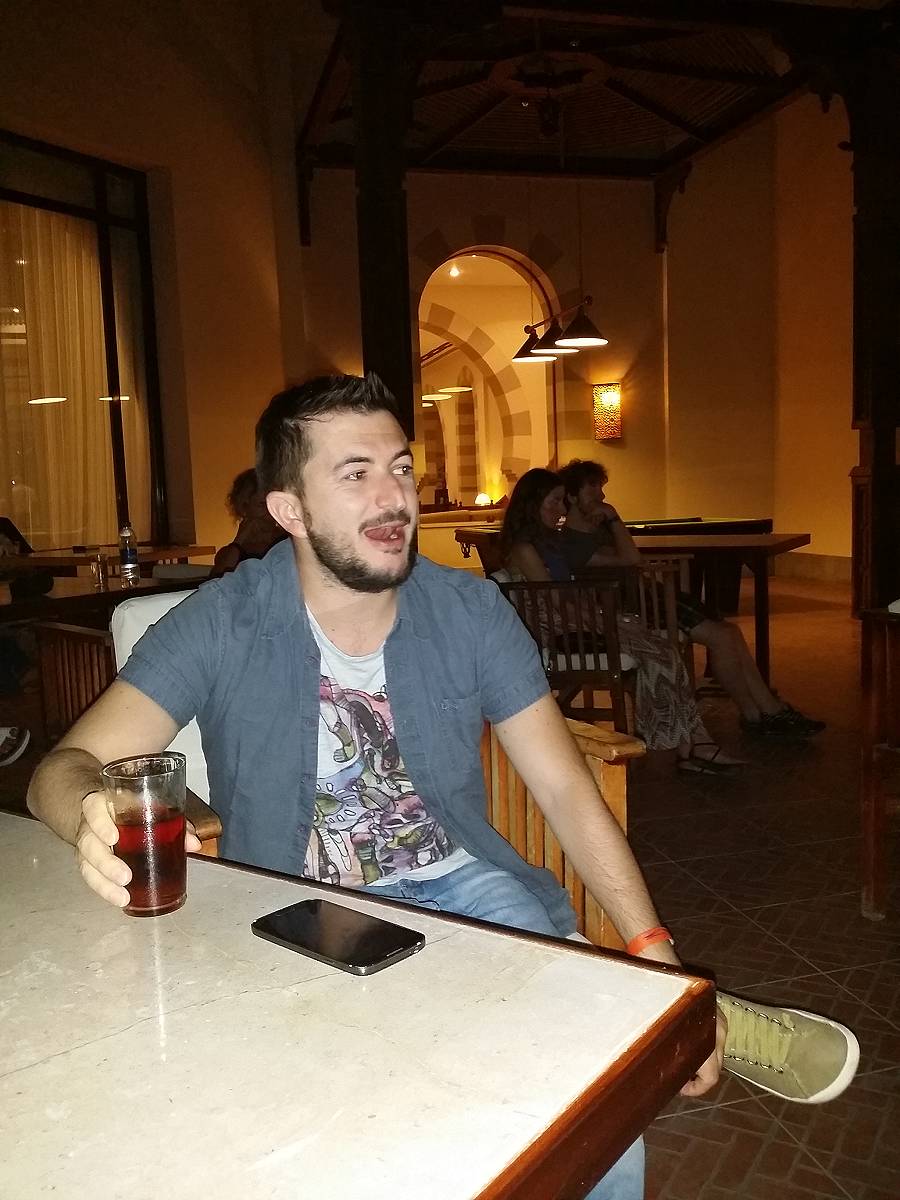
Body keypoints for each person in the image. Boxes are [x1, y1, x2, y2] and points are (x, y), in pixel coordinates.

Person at [27, 375, 857, 1200]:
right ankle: (665, 1009)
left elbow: (565, 788)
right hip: (304, 911)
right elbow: (59, 771)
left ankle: (665, 1009)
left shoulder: (469, 610)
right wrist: (90, 813)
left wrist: (652, 949)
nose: (393, 497)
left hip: (463, 887)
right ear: (289, 510)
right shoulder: (223, 620)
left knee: (589, 1105)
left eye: (399, 467)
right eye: (355, 474)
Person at [501, 468, 744, 774]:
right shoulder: (524, 548)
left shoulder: (548, 542)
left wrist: (610, 618)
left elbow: (571, 592)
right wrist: (608, 622)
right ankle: (685, 744)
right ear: (533, 503)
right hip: (562, 631)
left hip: (577, 622)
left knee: (664, 650)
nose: (562, 509)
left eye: (563, 501)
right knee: (660, 654)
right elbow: (554, 600)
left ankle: (692, 742)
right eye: (555, 501)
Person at [557, 460, 825, 737]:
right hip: (633, 607)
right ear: (572, 496)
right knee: (722, 637)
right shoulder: (571, 541)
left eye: (601, 488)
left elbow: (629, 559)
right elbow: (632, 558)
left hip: (647, 596)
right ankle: (756, 715)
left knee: (730, 632)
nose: (601, 496)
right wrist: (613, 517)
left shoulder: (597, 531)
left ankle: (769, 709)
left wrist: (612, 525)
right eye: (592, 488)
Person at [211, 467, 287, 577]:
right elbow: (218, 578)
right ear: (244, 507)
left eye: (273, 504)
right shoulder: (233, 551)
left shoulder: (288, 540)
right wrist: (239, 540)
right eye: (262, 504)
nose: (270, 510)